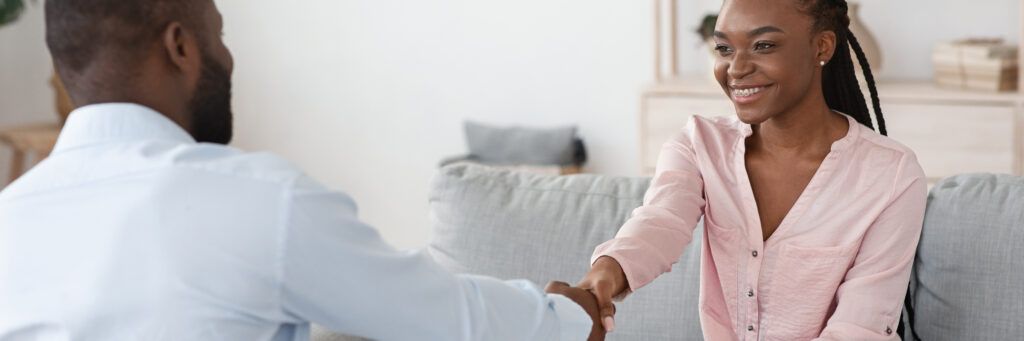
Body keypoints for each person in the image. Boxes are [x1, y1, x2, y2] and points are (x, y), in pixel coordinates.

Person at [0, 0, 605, 340]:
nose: (228, 56)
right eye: (220, 33)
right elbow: (444, 320)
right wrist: (568, 317)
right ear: (181, 47)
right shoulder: (257, 199)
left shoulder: (11, 219)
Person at [572, 0, 926, 340]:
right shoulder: (700, 145)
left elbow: (858, 330)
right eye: (724, 49)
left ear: (822, 46)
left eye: (764, 45)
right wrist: (608, 270)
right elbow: (661, 221)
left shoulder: (891, 174)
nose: (736, 69)